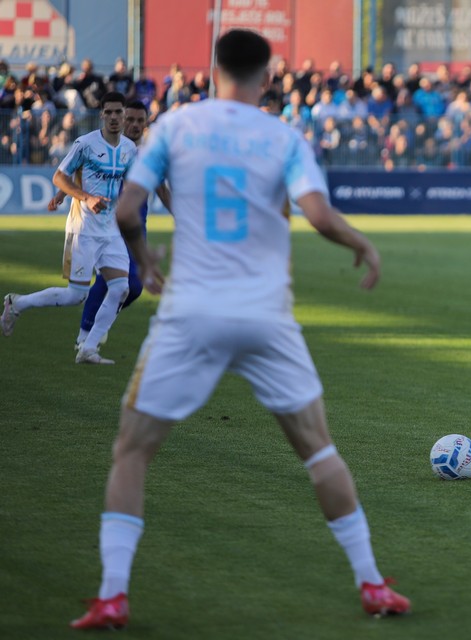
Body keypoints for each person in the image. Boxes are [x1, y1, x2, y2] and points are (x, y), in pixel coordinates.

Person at [68, 30, 410, 631]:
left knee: (133, 450)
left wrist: (144, 258)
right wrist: (362, 244)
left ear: (212, 71)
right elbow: (319, 215)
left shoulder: (175, 126)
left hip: (191, 312)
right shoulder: (283, 137)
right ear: (268, 77)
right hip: (265, 315)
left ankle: (113, 595)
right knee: (319, 449)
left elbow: (126, 210)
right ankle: (373, 583)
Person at [1, 92, 137, 365]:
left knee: (121, 288)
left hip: (110, 230)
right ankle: (18, 303)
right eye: (109, 112)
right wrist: (84, 197)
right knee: (76, 295)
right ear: (101, 114)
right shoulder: (85, 144)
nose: (113, 117)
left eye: (118, 112)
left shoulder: (129, 148)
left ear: (124, 115)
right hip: (83, 229)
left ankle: (88, 348)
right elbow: (59, 176)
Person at [47, 100, 172, 352]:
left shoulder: (144, 154)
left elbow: (161, 187)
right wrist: (63, 193)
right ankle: (85, 335)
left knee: (131, 286)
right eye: (130, 119)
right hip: (105, 223)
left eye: (140, 120)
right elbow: (81, 171)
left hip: (136, 225)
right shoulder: (108, 147)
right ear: (123, 119)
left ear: (146, 123)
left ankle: (96, 325)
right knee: (114, 283)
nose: (134, 125)